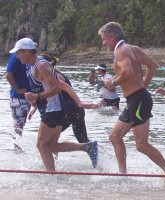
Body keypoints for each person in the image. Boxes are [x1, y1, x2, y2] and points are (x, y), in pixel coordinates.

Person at [98, 22, 165, 188]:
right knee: (114, 137)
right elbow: (152, 65)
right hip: (135, 99)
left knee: (141, 145)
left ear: (112, 37)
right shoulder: (132, 48)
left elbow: (127, 72)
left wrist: (112, 82)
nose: (103, 42)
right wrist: (144, 85)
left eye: (104, 39)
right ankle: (123, 176)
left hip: (138, 100)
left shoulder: (120, 51)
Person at [9, 38, 98, 171]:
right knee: (51, 146)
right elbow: (42, 88)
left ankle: (51, 175)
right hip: (53, 110)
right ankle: (87, 147)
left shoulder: (41, 65)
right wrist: (34, 102)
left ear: (27, 51)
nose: (17, 56)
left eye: (19, 53)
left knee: (41, 145)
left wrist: (37, 96)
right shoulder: (33, 66)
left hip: (54, 110)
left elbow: (56, 88)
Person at [35, 53, 90, 143]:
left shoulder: (55, 76)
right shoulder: (52, 74)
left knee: (47, 140)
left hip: (70, 110)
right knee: (83, 141)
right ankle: (102, 154)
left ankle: (51, 157)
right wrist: (34, 108)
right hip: (76, 110)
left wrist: (81, 103)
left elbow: (67, 88)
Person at [5, 29, 32, 152]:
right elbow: (8, 74)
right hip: (18, 97)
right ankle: (16, 149)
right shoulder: (17, 56)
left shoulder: (28, 56)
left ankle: (18, 148)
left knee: (22, 124)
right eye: (29, 38)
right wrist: (17, 89)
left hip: (26, 96)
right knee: (18, 125)